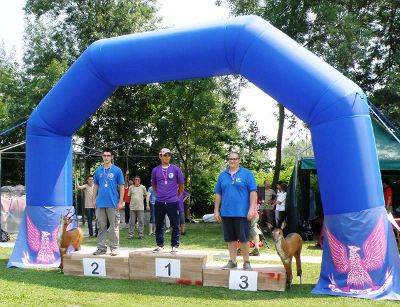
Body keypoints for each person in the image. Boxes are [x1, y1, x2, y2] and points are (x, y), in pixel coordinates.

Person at [214, 151, 258, 271]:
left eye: (235, 159)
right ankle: (232, 262)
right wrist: (216, 210)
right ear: (228, 160)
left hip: (242, 213)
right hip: (226, 213)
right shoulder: (222, 175)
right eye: (230, 159)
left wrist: (251, 209)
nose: (232, 161)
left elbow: (253, 192)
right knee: (230, 239)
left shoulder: (247, 174)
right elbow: (218, 194)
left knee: (244, 239)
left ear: (239, 160)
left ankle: (246, 262)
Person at [151, 148, 184, 253]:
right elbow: (154, 185)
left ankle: (174, 245)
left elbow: (182, 185)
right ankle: (160, 245)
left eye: (169, 155)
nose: (167, 157)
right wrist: (159, 194)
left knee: (175, 224)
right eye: (165, 155)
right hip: (159, 201)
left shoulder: (176, 169)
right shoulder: (155, 170)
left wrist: (177, 196)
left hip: (172, 201)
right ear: (160, 156)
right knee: (159, 224)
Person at [92, 149, 124, 256]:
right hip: (100, 203)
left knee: (114, 227)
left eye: (108, 155)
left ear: (112, 157)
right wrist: (93, 199)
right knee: (101, 227)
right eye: (104, 155)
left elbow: (122, 187)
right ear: (102, 156)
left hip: (113, 203)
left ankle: (114, 248)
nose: (106, 157)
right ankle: (101, 248)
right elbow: (95, 185)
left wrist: (120, 202)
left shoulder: (117, 170)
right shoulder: (98, 171)